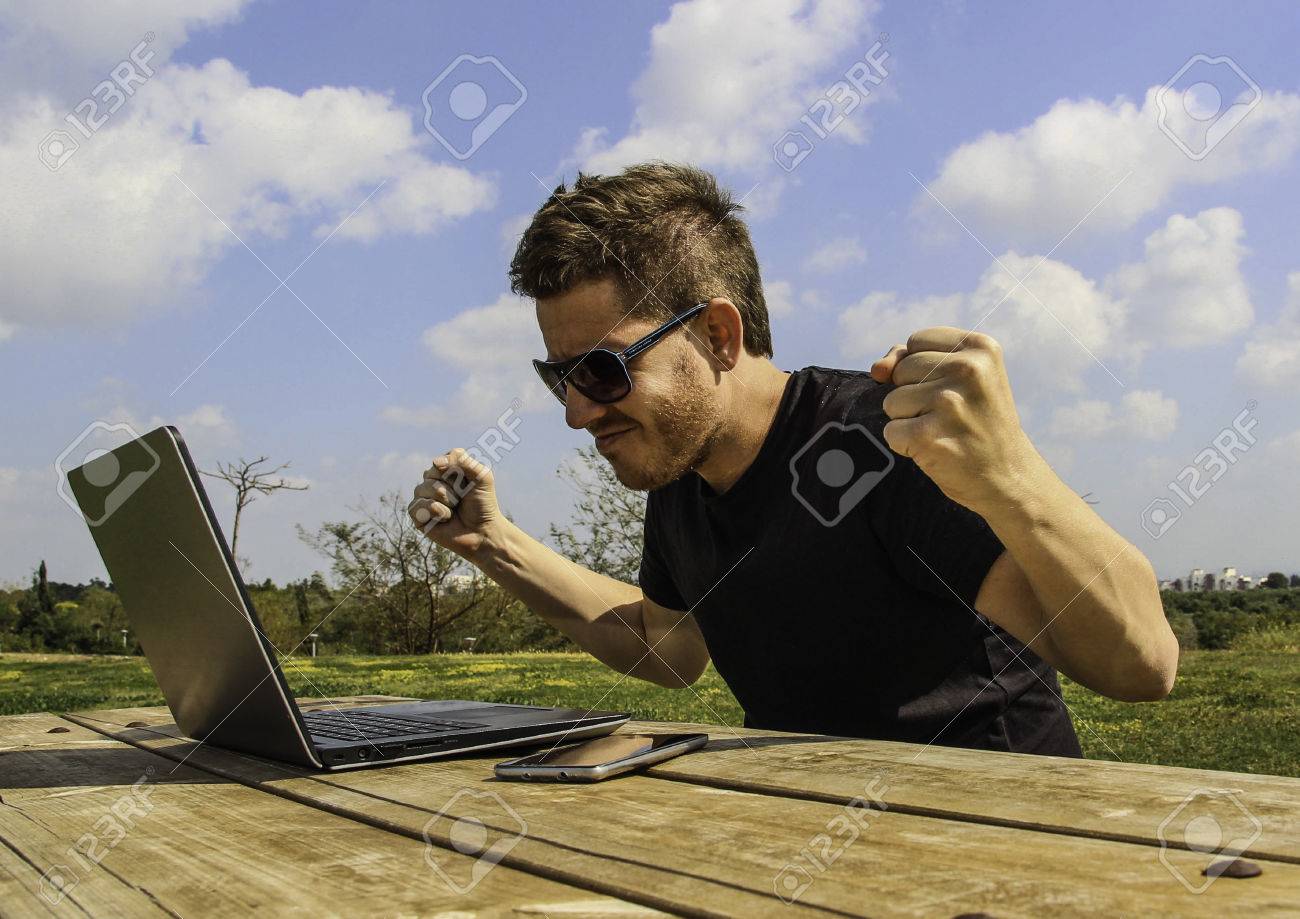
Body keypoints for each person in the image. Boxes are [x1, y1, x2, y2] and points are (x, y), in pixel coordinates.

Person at [408, 162, 1178, 756]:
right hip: (801, 843)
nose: (578, 413)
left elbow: (1141, 664)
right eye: (561, 378)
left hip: (996, 844)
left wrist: (1011, 473)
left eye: (604, 372)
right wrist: (495, 543)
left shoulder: (877, 442)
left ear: (717, 334)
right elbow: (667, 645)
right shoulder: (681, 472)